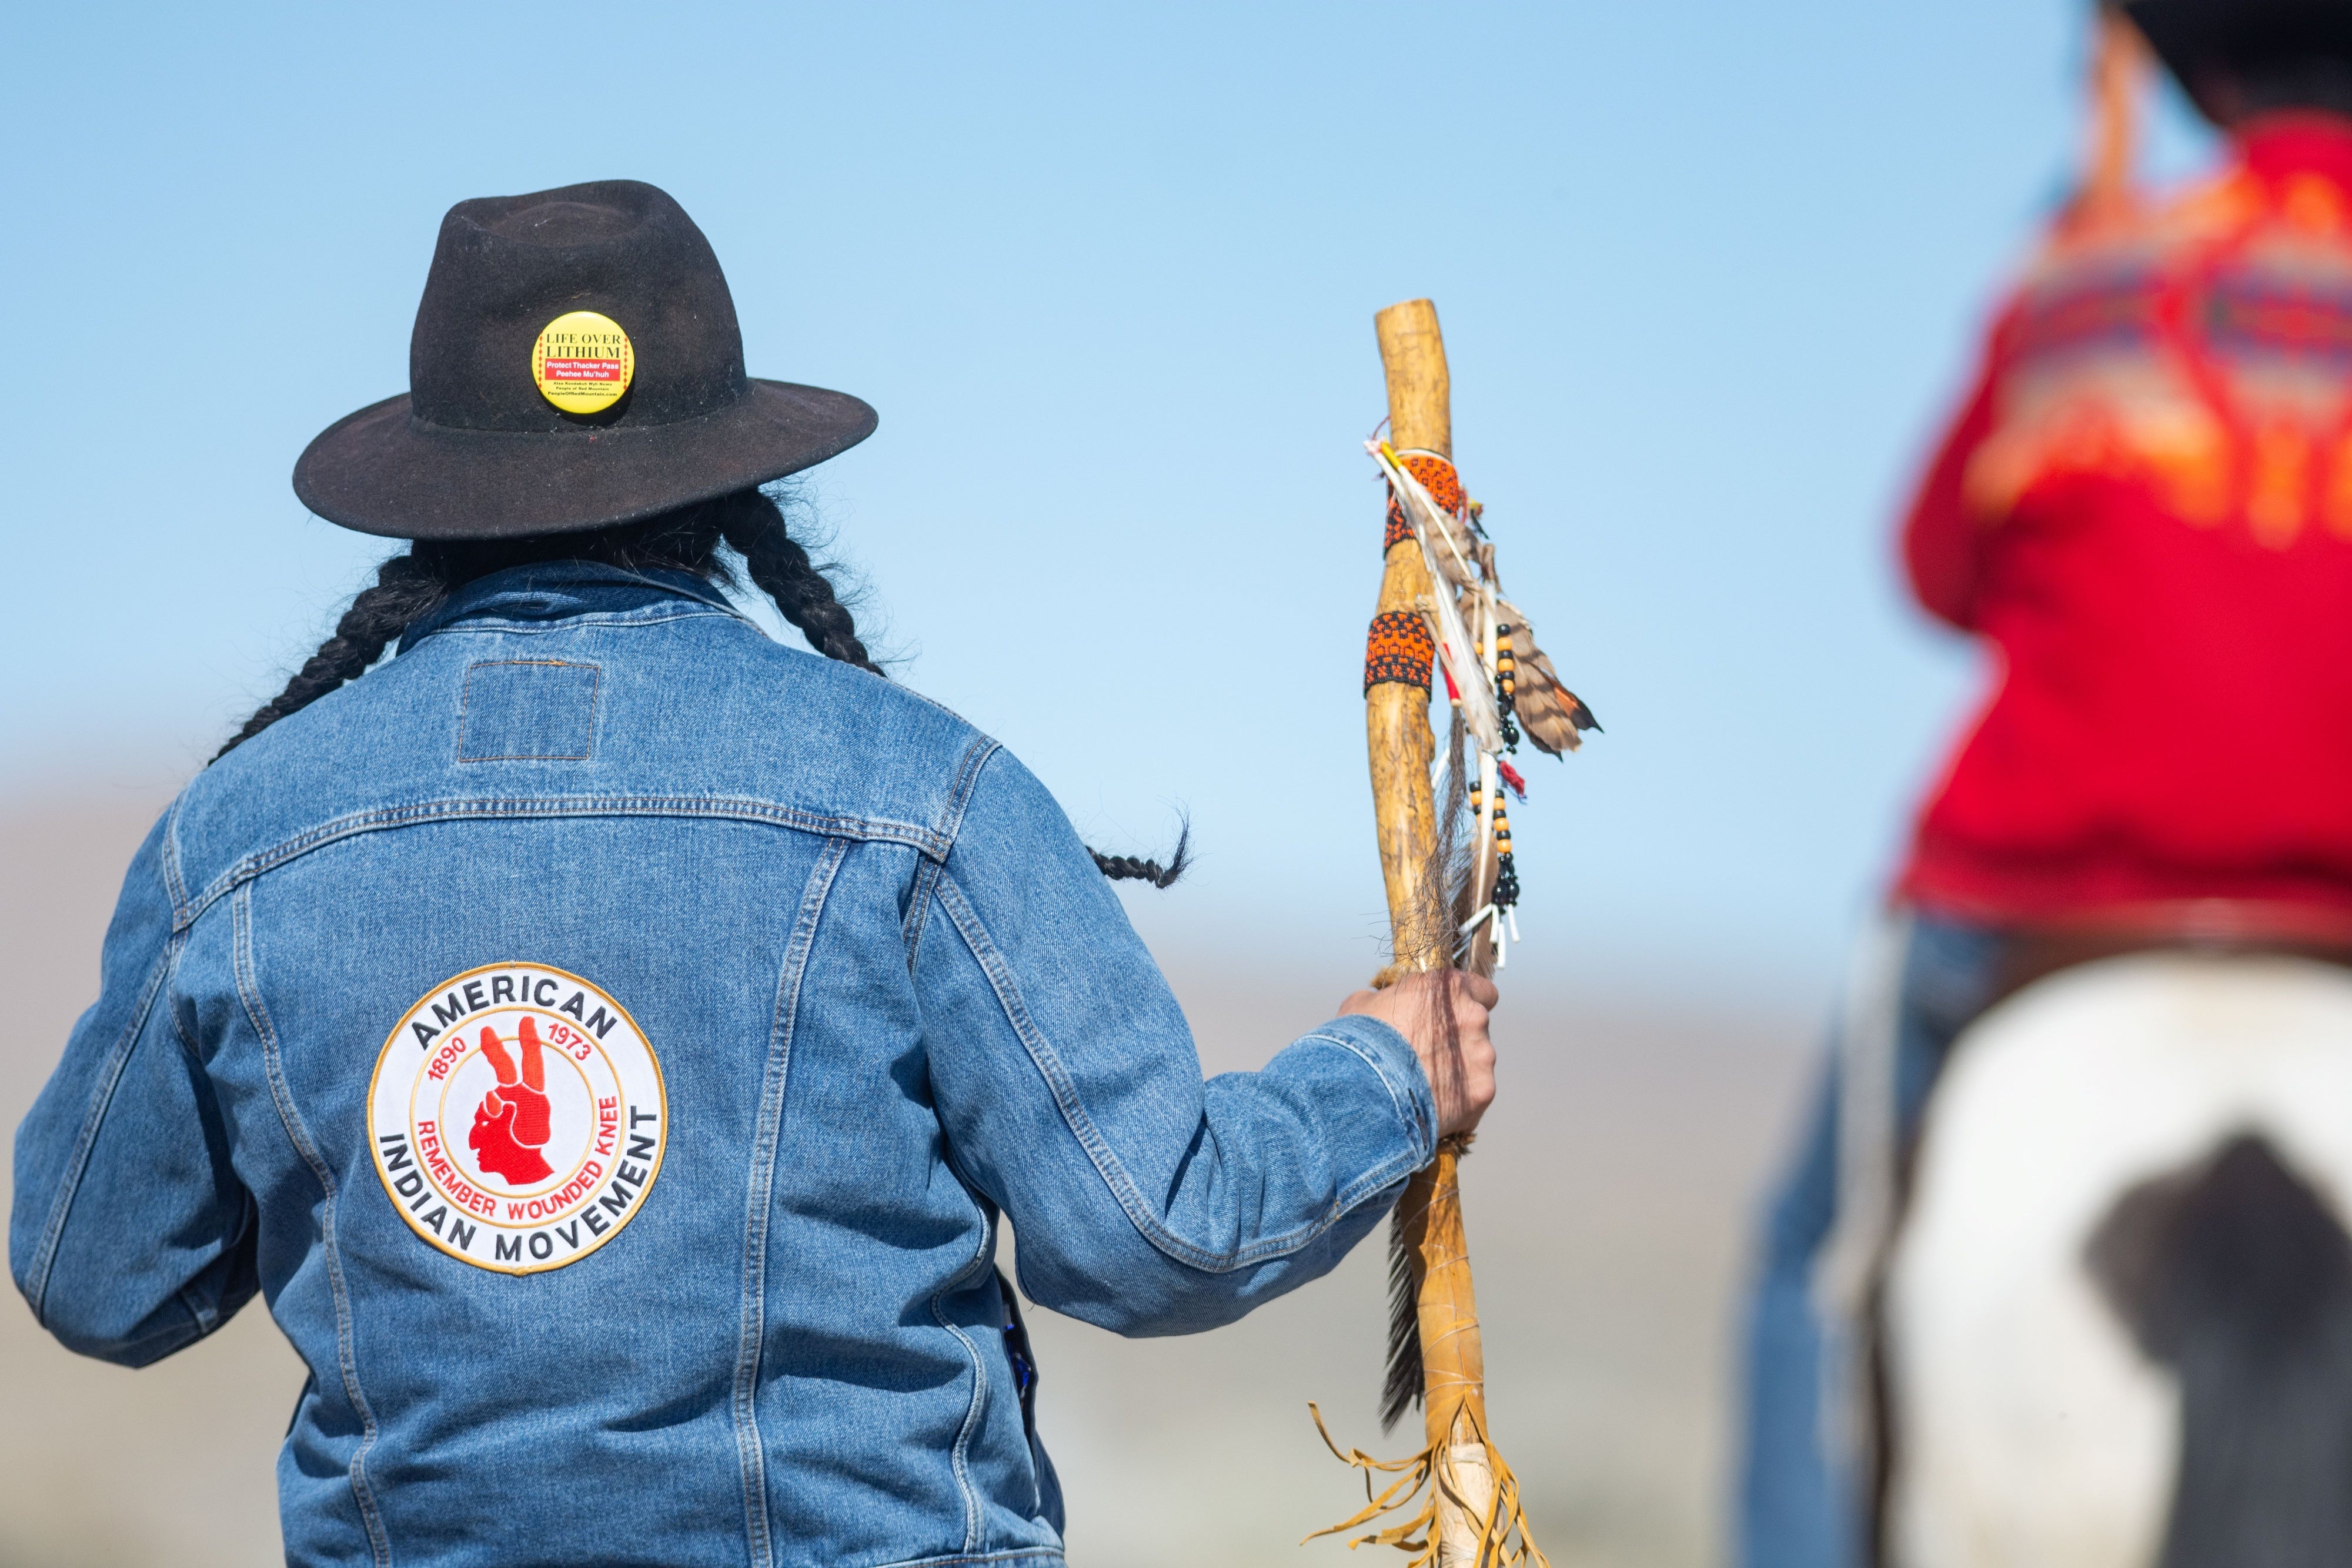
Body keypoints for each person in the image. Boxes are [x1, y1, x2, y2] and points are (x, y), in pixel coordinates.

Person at [8, 179, 1497, 1568]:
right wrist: (1384, 1070)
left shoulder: (237, 842)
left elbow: (95, 1274)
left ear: (433, 489)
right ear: (728, 483)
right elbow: (1154, 1228)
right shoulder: (919, 793)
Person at [1736, 3, 2352, 1563]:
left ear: (2205, 72)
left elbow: (1934, 564)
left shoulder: (2092, 276)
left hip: (2034, 892)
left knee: (1810, 1262)